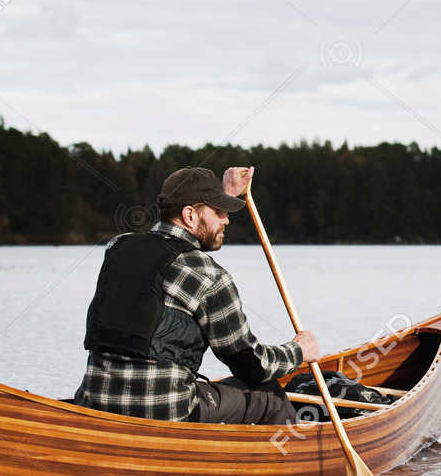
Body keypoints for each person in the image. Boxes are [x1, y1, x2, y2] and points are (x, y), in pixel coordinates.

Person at [74, 165, 317, 425]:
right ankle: (289, 461)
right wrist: (298, 351)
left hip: (95, 403)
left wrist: (220, 197)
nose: (226, 220)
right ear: (190, 215)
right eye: (218, 212)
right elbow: (251, 366)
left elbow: (161, 264)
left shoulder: (118, 248)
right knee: (269, 396)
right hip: (165, 412)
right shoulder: (210, 276)